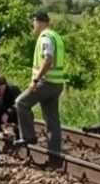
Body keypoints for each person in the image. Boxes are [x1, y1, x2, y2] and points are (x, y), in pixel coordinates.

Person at [14, 11, 67, 156]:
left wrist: (36, 79)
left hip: (46, 82)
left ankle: (28, 137)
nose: (33, 26)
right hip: (57, 83)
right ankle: (54, 152)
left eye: (34, 22)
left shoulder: (45, 37)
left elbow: (48, 59)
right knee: (52, 119)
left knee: (21, 103)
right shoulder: (56, 36)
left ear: (39, 22)